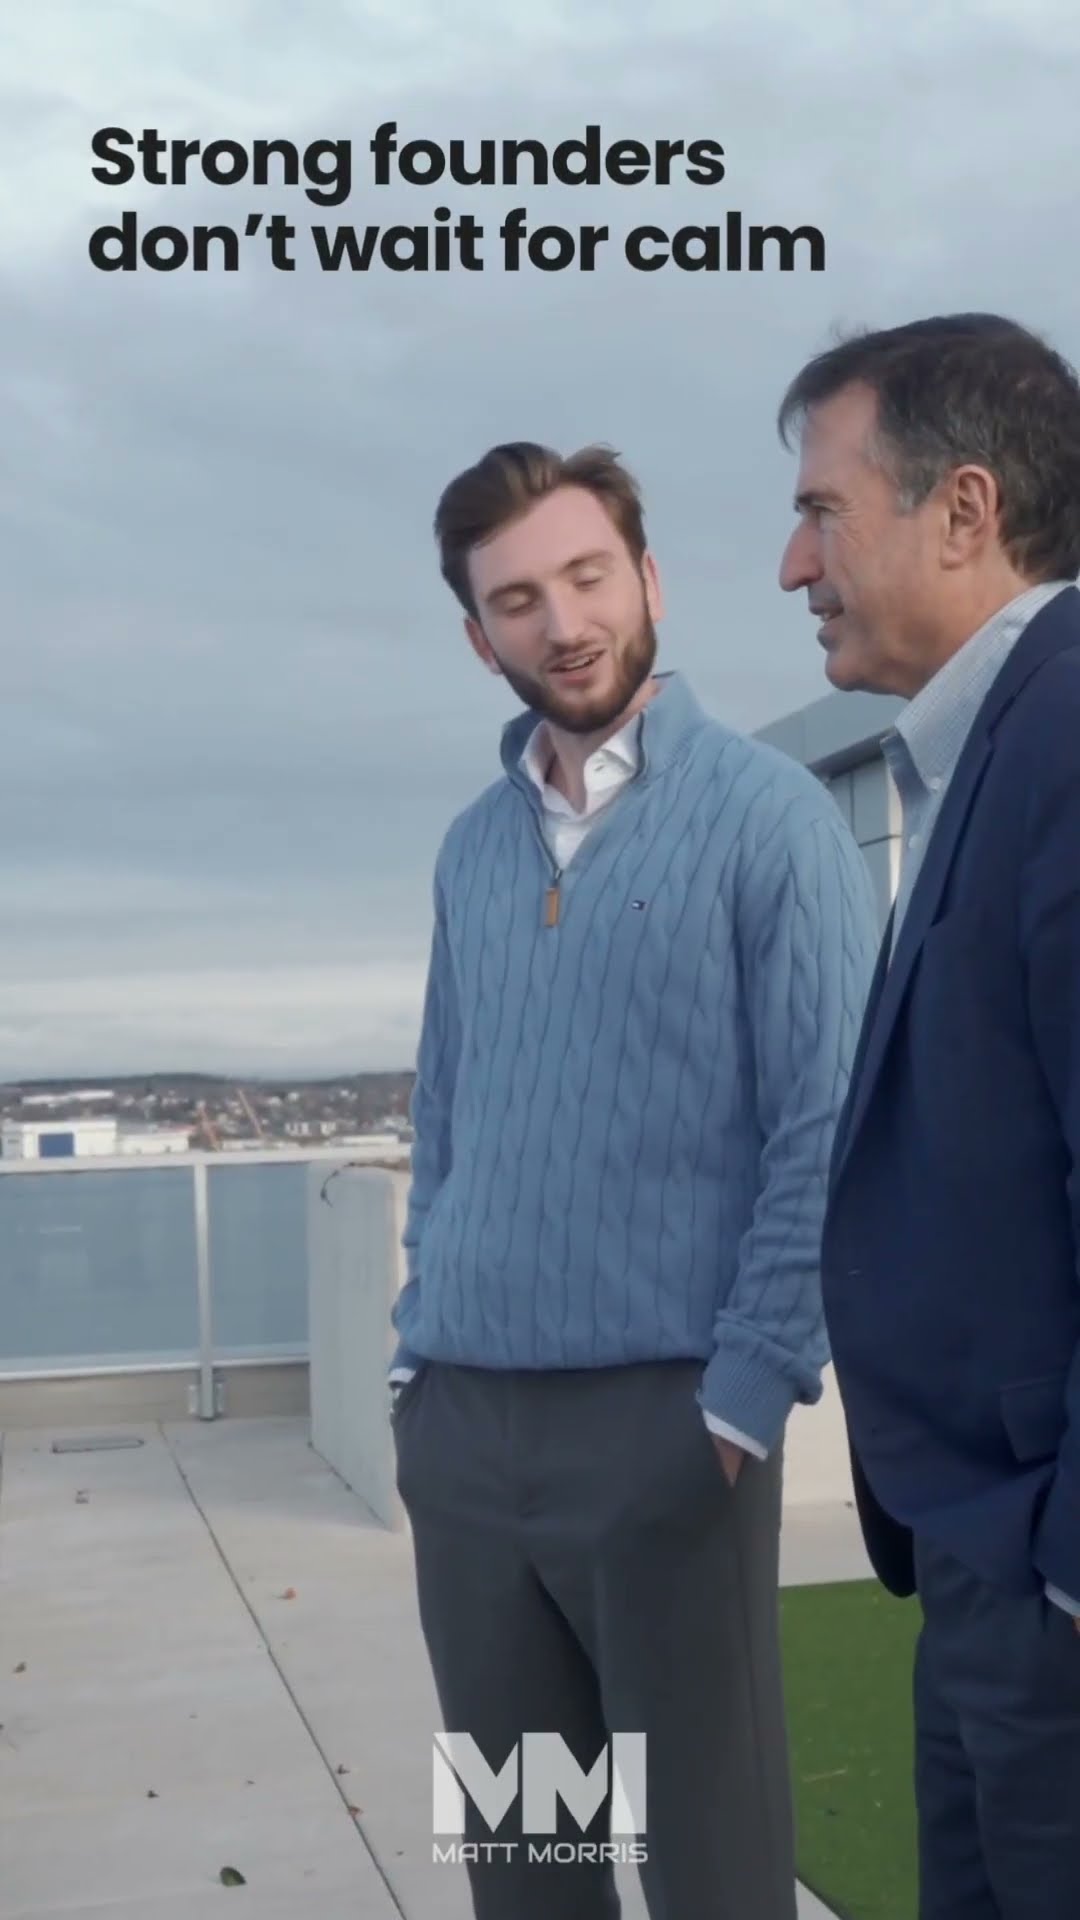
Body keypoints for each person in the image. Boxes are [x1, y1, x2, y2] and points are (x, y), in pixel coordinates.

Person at [388, 440, 879, 1919]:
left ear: (649, 578)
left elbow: (825, 1130)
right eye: (518, 600)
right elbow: (444, 1113)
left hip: (668, 1433)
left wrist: (739, 1402)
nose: (564, 623)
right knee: (525, 1870)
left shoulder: (771, 819)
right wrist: (416, 1367)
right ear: (478, 636)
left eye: (588, 576)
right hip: (467, 1443)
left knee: (708, 1875)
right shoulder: (471, 851)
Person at [777, 313, 1080, 1920]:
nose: (793, 566)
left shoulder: (1068, 735)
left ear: (964, 511)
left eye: (822, 513)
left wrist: (1061, 1587)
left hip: (1042, 1589)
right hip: (978, 1556)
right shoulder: (989, 749)